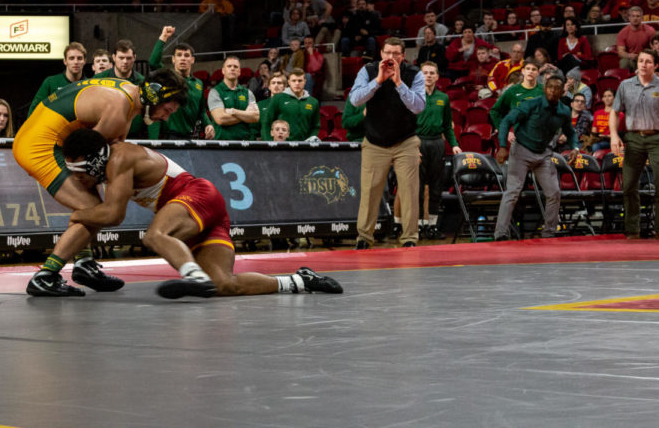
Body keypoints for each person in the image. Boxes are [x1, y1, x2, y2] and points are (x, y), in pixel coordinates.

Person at [53, 128, 342, 298]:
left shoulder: (120, 158)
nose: (76, 178)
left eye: (78, 171)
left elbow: (114, 215)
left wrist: (78, 216)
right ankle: (300, 280)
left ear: (92, 160)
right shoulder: (107, 164)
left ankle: (193, 275)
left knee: (154, 235)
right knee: (225, 284)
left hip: (196, 195)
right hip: (198, 214)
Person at [18, 68, 188, 296]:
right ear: (154, 97)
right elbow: (85, 161)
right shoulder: (118, 111)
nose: (166, 118)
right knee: (97, 210)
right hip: (40, 146)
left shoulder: (127, 93)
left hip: (41, 135)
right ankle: (46, 276)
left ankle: (84, 264)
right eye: (167, 110)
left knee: (94, 205)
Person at [349, 37, 426, 249]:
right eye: (387, 53)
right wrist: (379, 81)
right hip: (375, 141)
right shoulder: (368, 70)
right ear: (381, 53)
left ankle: (409, 238)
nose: (390, 57)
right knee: (370, 191)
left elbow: (418, 106)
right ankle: (364, 238)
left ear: (403, 56)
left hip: (405, 141)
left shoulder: (414, 74)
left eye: (395, 54)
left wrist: (399, 83)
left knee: (409, 191)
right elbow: (355, 99)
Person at [609, 50, 659, 239]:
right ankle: (632, 231)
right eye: (640, 61)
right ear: (636, 64)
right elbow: (614, 112)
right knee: (629, 186)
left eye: (648, 62)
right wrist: (613, 135)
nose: (643, 65)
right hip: (634, 138)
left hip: (658, 138)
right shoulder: (625, 86)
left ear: (655, 65)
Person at [493, 75, 575, 240]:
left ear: (562, 91)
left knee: (554, 192)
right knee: (513, 191)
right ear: (545, 88)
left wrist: (575, 147)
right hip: (521, 150)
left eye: (557, 87)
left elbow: (571, 132)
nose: (552, 90)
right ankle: (500, 233)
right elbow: (506, 121)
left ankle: (549, 232)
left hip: (544, 154)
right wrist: (502, 146)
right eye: (550, 87)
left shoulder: (564, 111)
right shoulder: (531, 104)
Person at [416, 62, 462, 236]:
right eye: (425, 73)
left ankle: (433, 225)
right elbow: (407, 125)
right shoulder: (414, 96)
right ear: (420, 76)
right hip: (418, 143)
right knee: (419, 187)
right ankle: (420, 225)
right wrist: (412, 145)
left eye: (431, 73)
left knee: (436, 186)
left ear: (437, 76)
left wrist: (455, 144)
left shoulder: (443, 97)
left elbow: (447, 126)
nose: (428, 75)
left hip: (437, 143)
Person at [149, 26, 214, 140]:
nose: (183, 58)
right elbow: (154, 62)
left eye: (187, 55)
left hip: (192, 138)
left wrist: (208, 124)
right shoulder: (168, 77)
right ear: (173, 59)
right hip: (170, 137)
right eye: (179, 55)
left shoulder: (198, 83)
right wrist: (163, 37)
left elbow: (202, 111)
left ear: (192, 60)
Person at [94, 40, 147, 138]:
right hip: (105, 134)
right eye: (121, 58)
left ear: (134, 58)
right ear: (114, 58)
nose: (125, 62)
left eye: (128, 58)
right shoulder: (99, 80)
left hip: (135, 135)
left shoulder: (142, 82)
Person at [28, 42, 87, 117]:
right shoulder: (51, 82)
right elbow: (35, 109)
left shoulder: (89, 84)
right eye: (71, 58)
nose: (76, 62)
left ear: (84, 61)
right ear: (65, 61)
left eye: (79, 58)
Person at [207, 56, 259, 140]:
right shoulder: (215, 92)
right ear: (223, 71)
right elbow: (220, 119)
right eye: (229, 66)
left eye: (235, 67)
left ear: (239, 72)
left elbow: (255, 117)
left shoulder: (248, 93)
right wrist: (245, 115)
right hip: (222, 143)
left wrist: (233, 111)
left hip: (244, 143)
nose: (232, 69)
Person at [262, 68, 320, 141]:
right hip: (282, 147)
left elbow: (315, 126)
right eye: (294, 81)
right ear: (289, 82)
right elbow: (267, 123)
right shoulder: (278, 98)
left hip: (304, 148)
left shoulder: (313, 102)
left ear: (305, 81)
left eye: (300, 81)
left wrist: (310, 141)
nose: (297, 83)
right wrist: (268, 143)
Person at [490, 58, 542, 128]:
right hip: (516, 135)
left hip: (537, 134)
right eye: (528, 69)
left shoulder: (544, 90)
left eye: (534, 69)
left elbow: (556, 112)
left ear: (538, 73)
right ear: (523, 71)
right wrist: (503, 130)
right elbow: (495, 111)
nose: (530, 72)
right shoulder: (513, 90)